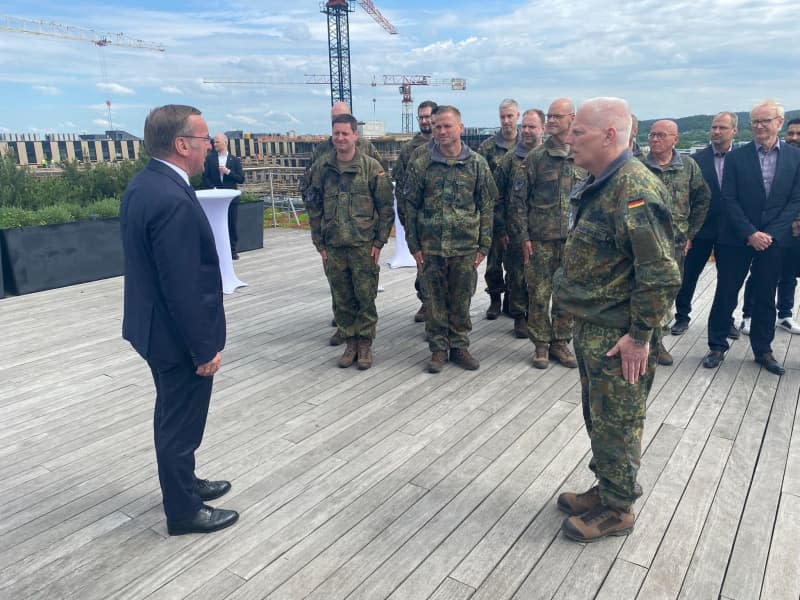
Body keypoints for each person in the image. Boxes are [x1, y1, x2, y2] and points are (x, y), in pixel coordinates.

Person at [553, 97, 680, 542]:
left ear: (610, 135)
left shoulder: (633, 188)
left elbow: (662, 272)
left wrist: (639, 337)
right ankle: (609, 487)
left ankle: (618, 508)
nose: (569, 139)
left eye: (578, 132)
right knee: (601, 418)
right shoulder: (602, 182)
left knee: (618, 422)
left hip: (618, 335)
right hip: (596, 324)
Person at [120, 104, 238, 535]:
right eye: (205, 139)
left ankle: (183, 483)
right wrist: (203, 348)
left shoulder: (145, 185)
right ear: (182, 144)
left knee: (172, 414)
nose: (210, 146)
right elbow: (184, 285)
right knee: (180, 424)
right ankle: (184, 511)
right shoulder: (171, 198)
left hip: (152, 326)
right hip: (175, 336)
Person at [703, 100, 800, 376]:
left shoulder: (795, 158)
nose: (758, 126)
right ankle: (717, 345)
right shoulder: (736, 157)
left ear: (779, 122)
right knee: (726, 292)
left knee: (766, 295)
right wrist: (750, 232)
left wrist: (769, 234)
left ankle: (763, 349)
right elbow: (728, 199)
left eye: (764, 121)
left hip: (774, 240)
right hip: (736, 238)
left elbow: (795, 201)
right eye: (754, 121)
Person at [402, 105, 497, 373]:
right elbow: (410, 207)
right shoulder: (421, 164)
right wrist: (414, 246)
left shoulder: (477, 164)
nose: (442, 131)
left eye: (447, 126)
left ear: (460, 128)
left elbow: (487, 206)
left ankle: (459, 346)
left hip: (465, 247)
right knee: (433, 301)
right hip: (431, 247)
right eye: (437, 126)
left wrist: (483, 245)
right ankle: (438, 350)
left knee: (461, 299)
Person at [306, 114, 394, 370]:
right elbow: (313, 206)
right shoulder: (322, 168)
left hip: (362, 246)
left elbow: (386, 207)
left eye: (346, 133)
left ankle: (364, 343)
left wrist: (379, 243)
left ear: (356, 135)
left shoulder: (370, 168)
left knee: (365, 297)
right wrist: (319, 244)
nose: (341, 138)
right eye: (337, 134)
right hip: (333, 246)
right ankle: (350, 342)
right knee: (341, 297)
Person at [510, 98, 584, 369]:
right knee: (539, 294)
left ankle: (561, 343)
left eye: (556, 116)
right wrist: (524, 237)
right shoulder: (536, 158)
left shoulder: (583, 155)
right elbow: (518, 201)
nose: (551, 121)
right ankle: (541, 344)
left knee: (567, 294)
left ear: (572, 118)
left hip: (574, 241)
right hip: (540, 240)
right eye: (549, 117)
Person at [641, 120, 710, 365]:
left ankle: (657, 343)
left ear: (675, 140)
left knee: (667, 294)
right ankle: (641, 341)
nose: (654, 139)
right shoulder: (638, 167)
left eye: (661, 135)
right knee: (641, 293)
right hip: (643, 245)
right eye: (651, 134)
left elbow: (703, 199)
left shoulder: (688, 166)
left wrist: (690, 232)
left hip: (675, 246)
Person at [672, 112, 740, 339]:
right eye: (713, 127)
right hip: (701, 227)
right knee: (689, 274)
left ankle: (726, 320)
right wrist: (687, 232)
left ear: (734, 131)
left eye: (722, 127)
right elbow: (686, 197)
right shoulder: (695, 160)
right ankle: (682, 316)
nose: (716, 132)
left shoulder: (741, 159)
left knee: (728, 279)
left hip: (732, 229)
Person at [739, 116, 800, 336]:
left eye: (798, 134)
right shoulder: (783, 158)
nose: (794, 138)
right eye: (791, 133)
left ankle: (784, 313)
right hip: (776, 229)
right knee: (760, 274)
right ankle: (748, 314)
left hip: (795, 232)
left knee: (789, 274)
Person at [494, 108, 545, 338]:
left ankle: (539, 316)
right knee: (516, 275)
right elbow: (497, 197)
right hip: (515, 232)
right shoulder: (509, 160)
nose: (526, 130)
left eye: (531, 126)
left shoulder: (551, 158)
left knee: (542, 279)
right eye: (524, 126)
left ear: (542, 129)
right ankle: (519, 317)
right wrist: (502, 228)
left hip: (545, 232)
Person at [393, 100, 438, 323]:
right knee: (423, 267)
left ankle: (439, 308)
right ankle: (425, 302)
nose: (425, 121)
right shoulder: (410, 150)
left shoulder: (450, 146)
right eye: (421, 117)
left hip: (442, 221)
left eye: (428, 116)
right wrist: (405, 218)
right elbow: (401, 187)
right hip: (419, 220)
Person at [478, 99, 521, 319]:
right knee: (494, 264)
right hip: (494, 215)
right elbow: (482, 183)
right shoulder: (487, 147)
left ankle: (512, 301)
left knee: (515, 264)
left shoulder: (527, 145)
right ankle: (495, 299)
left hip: (519, 217)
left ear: (517, 116)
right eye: (503, 116)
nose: (506, 121)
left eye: (510, 116)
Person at [202, 133, 245, 259]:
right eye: (214, 142)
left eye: (217, 142)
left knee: (231, 224)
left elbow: (241, 179)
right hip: (215, 198)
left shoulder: (235, 160)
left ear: (225, 143)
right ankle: (218, 250)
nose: (214, 144)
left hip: (231, 199)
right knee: (216, 225)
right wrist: (213, 189)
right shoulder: (210, 159)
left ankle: (232, 251)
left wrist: (228, 172)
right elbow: (205, 178)